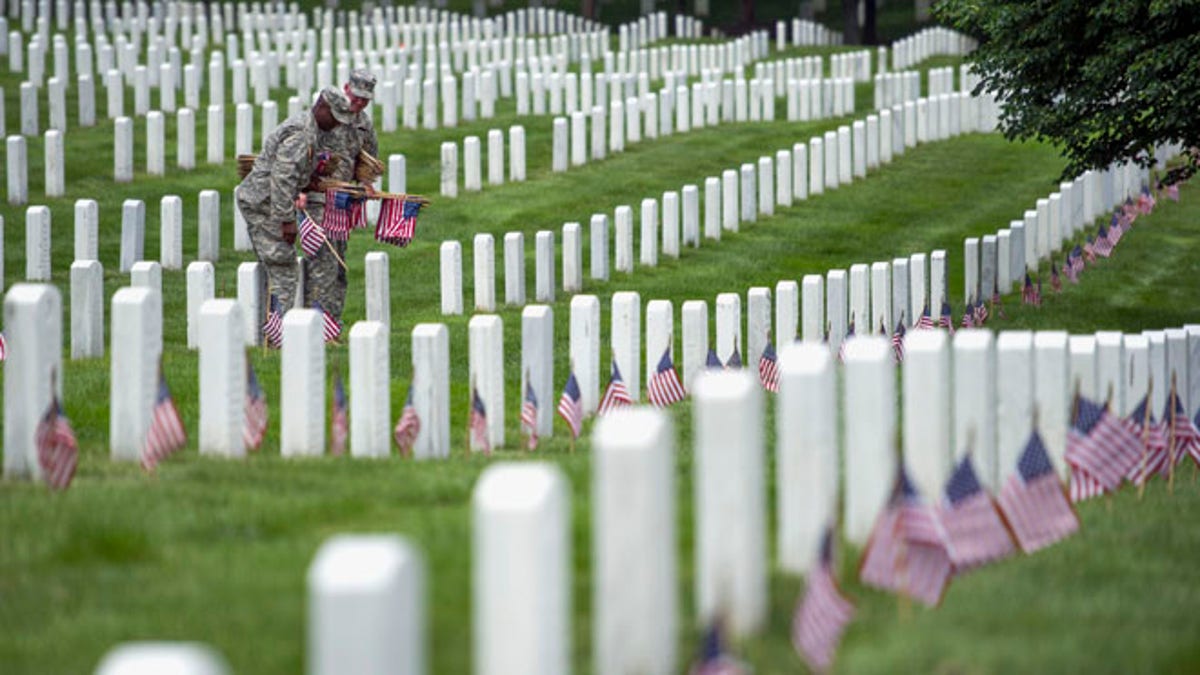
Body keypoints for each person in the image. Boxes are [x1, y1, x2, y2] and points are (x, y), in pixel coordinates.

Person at [236, 86, 355, 317]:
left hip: (268, 200)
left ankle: (272, 326)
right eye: (335, 118)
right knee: (282, 265)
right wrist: (287, 221)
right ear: (322, 107)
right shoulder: (301, 134)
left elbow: (293, 173)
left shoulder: (309, 128)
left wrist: (309, 182)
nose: (337, 124)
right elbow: (282, 177)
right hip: (264, 203)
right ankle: (278, 332)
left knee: (278, 263)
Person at [302, 69, 379, 323]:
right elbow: (303, 151)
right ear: (346, 88)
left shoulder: (364, 123)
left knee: (338, 266)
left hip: (343, 201)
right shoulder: (326, 112)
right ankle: (314, 325)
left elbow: (368, 158)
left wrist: (366, 182)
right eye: (356, 97)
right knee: (322, 263)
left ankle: (331, 324)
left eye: (365, 100)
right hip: (318, 199)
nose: (359, 104)